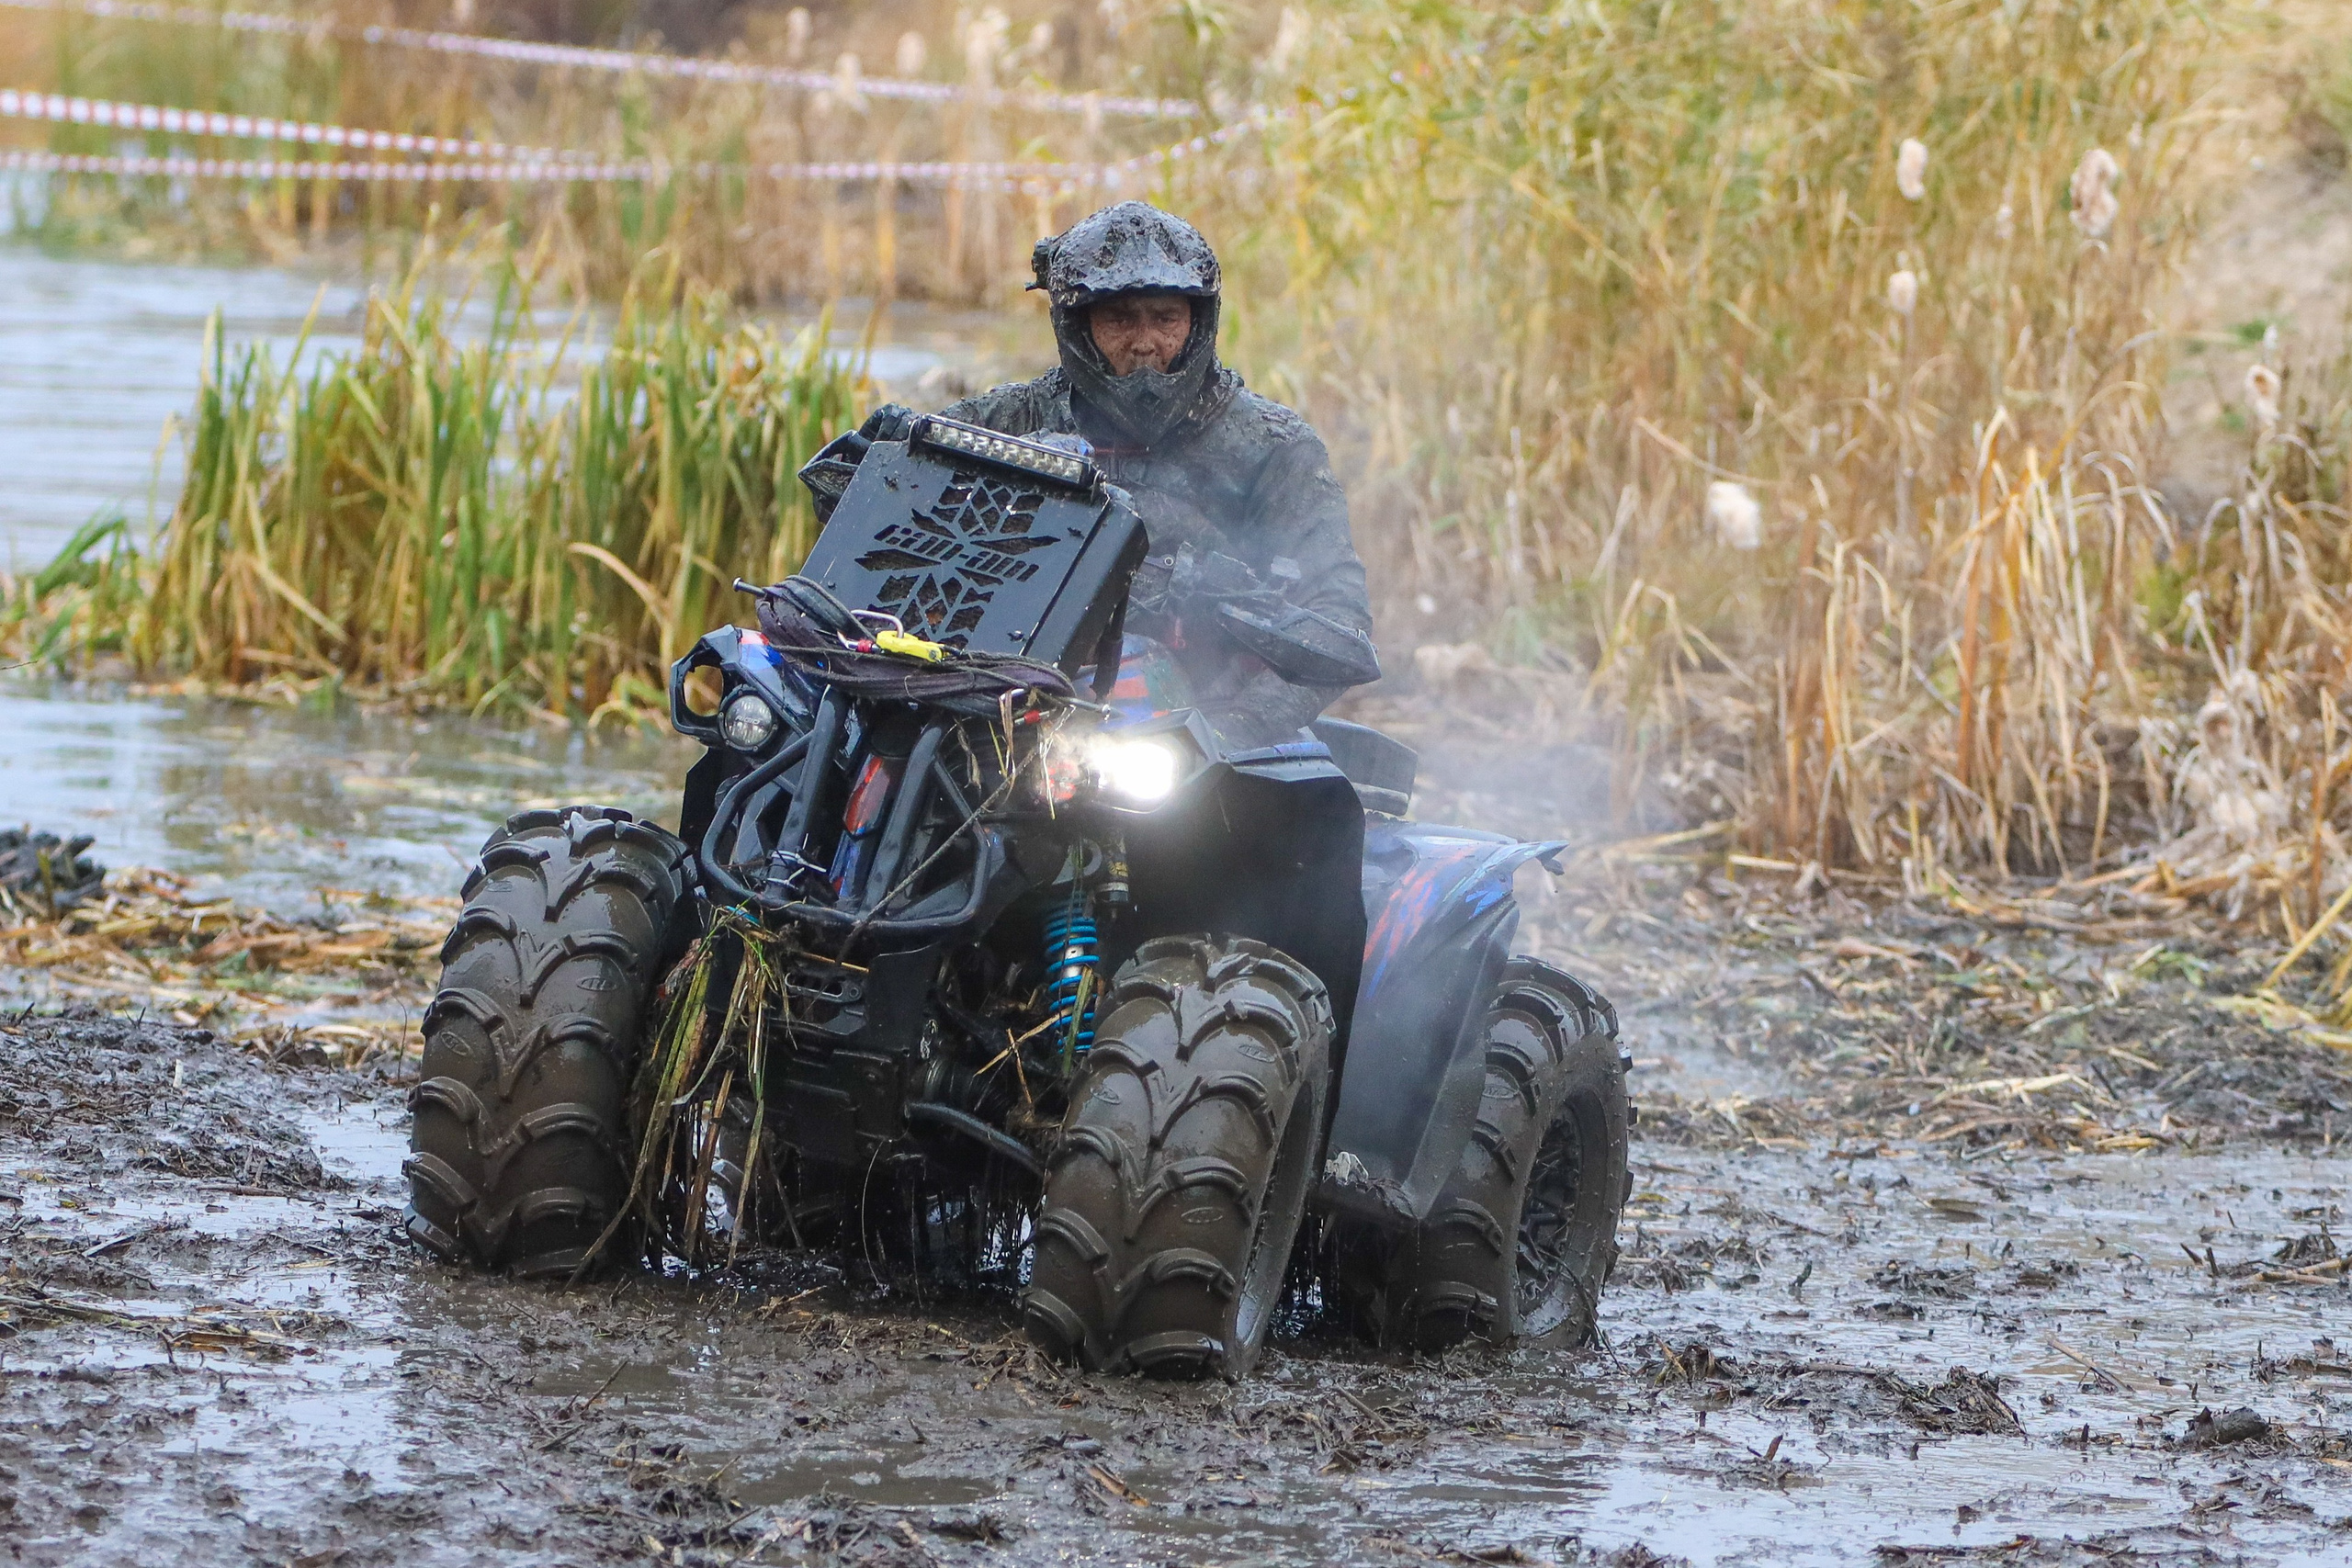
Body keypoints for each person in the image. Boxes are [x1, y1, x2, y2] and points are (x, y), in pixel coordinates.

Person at [807, 201, 1379, 748]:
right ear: (1077, 324)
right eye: (1119, 319)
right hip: (997, 703)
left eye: (1166, 318)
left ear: (1197, 321)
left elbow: (1339, 620)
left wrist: (1231, 729)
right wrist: (875, 457)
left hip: (1188, 730)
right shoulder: (1012, 418)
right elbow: (854, 492)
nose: (1145, 343)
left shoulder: (1272, 447)